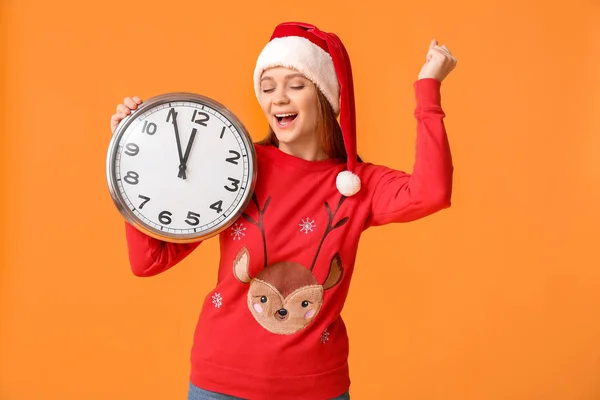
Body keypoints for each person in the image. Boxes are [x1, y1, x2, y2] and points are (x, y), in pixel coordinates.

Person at [110, 21, 456, 400]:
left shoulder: (357, 184)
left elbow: (432, 192)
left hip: (316, 386)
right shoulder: (238, 165)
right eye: (267, 86)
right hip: (221, 383)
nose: (278, 98)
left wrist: (428, 89)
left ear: (324, 96)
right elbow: (149, 260)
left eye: (296, 85)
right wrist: (135, 156)